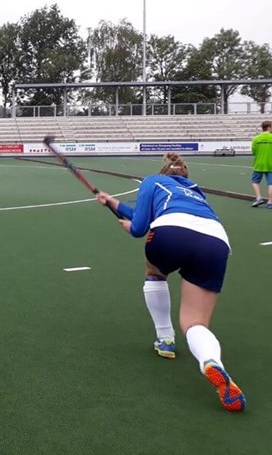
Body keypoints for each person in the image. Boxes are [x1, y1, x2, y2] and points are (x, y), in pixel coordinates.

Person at [96, 152, 246, 412]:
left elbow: (139, 227)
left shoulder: (152, 180)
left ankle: (165, 339)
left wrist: (129, 227)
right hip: (215, 241)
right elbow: (147, 213)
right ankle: (211, 361)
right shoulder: (196, 192)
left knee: (155, 271)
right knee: (195, 322)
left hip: (169, 233)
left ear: (163, 171)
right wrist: (113, 202)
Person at [250, 120, 272, 207]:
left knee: (255, 181)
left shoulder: (256, 138)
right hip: (270, 164)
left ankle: (259, 198)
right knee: (271, 184)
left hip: (258, 164)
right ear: (269, 127)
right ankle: (270, 202)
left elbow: (253, 151)